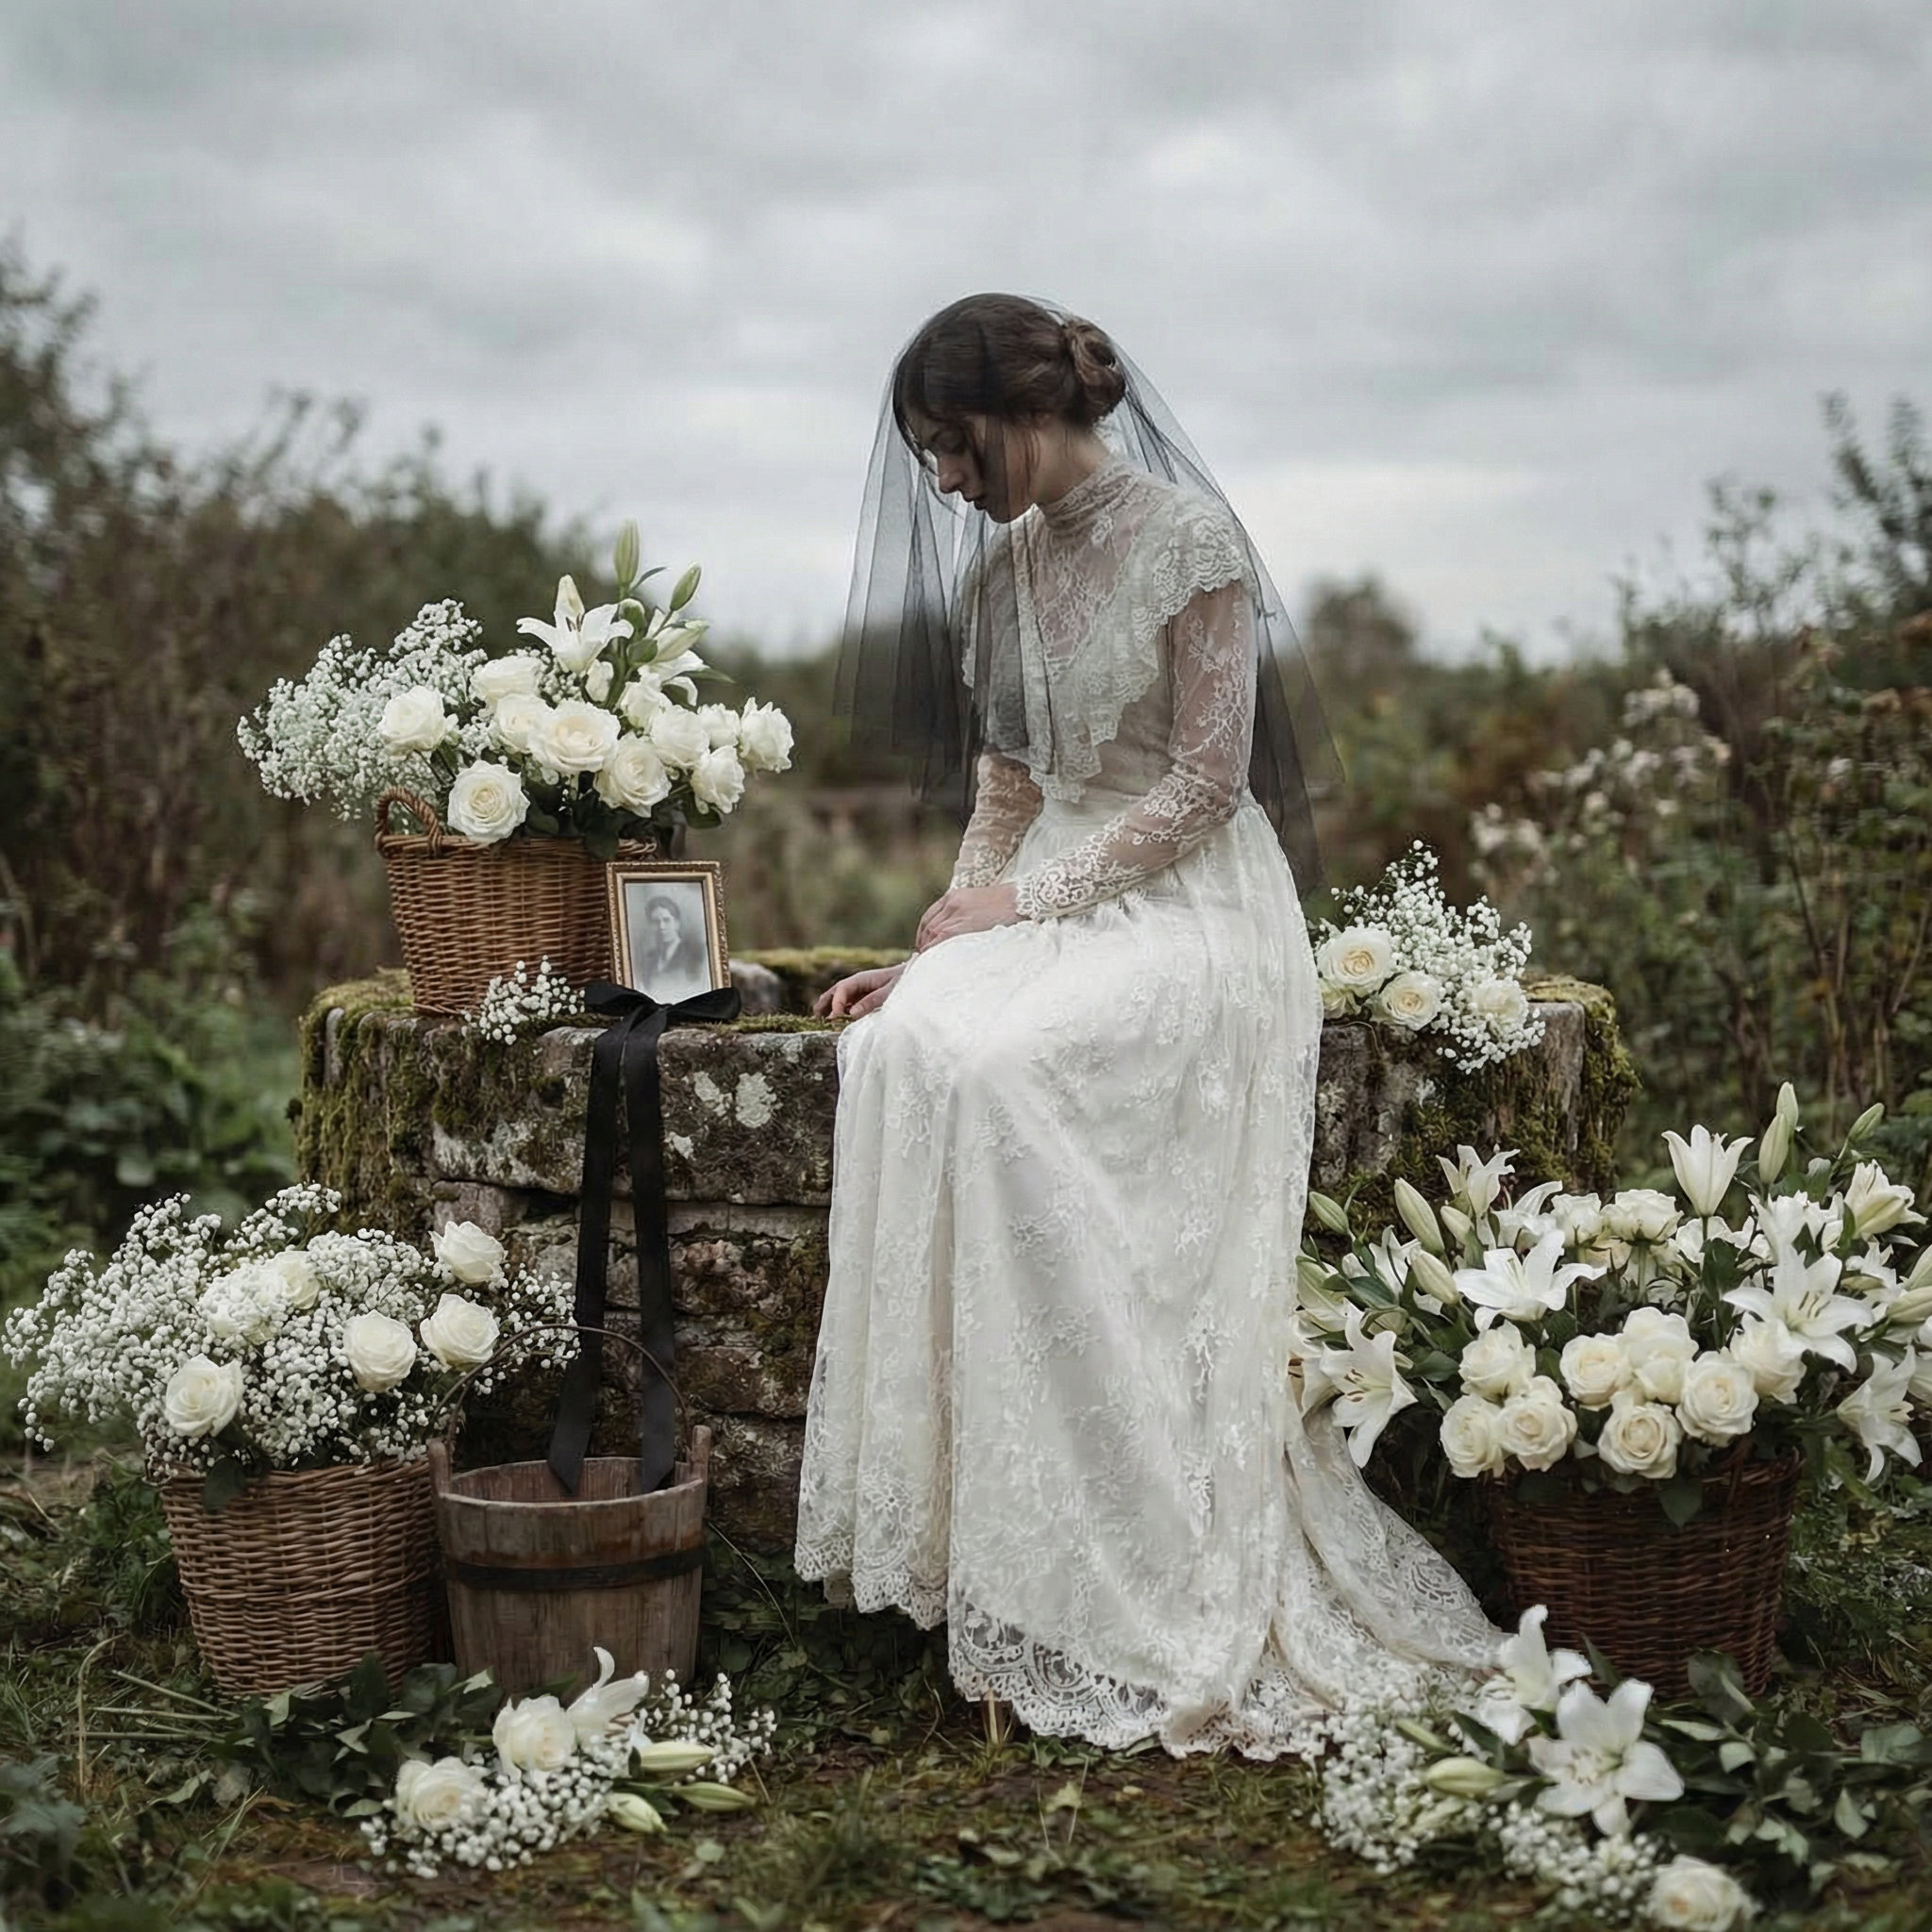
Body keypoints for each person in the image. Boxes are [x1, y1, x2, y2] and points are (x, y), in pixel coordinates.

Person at [795, 293, 1494, 1755]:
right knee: (907, 1047)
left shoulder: (1190, 542)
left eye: (950, 446)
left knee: (1003, 1070)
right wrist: (941, 939)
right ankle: (990, 1546)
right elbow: (1001, 791)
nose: (943, 479)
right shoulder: (996, 582)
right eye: (927, 455)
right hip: (1051, 894)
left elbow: (1199, 785)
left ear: (1013, 410)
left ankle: (1119, 1542)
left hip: (1193, 907)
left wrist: (1034, 904)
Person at [628, 888, 709, 1003]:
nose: (661, 927)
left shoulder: (693, 954)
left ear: (677, 923)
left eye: (667, 920)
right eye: (656, 922)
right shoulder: (649, 959)